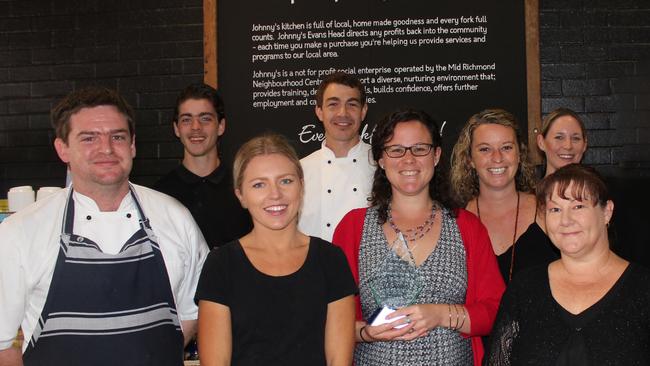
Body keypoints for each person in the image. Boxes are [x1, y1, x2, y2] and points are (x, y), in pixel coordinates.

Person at [0, 87, 208, 365]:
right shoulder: (21, 231)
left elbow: (191, 313)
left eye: (118, 137)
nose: (107, 149)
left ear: (132, 145)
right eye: (89, 138)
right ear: (63, 149)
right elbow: (3, 345)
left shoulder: (175, 218)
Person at [333, 109, 505, 366]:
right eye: (396, 150)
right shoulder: (353, 227)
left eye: (420, 149)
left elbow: (496, 310)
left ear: (436, 156)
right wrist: (365, 333)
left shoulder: (467, 227)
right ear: (381, 159)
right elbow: (333, 321)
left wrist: (440, 314)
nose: (409, 159)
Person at [195, 134, 357, 366]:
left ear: (302, 186)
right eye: (259, 184)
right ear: (240, 195)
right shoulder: (221, 265)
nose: (275, 194)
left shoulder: (330, 260)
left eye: (286, 181)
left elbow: (338, 360)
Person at [485, 164, 650, 365]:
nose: (565, 220)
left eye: (578, 206)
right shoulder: (524, 288)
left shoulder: (642, 289)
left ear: (606, 212)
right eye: (555, 209)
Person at [450, 109, 558, 283]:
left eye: (506, 147)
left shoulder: (549, 211)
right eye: (485, 149)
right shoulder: (453, 222)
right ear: (469, 159)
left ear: (520, 155)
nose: (497, 158)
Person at [154, 83, 252, 250]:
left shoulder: (245, 188)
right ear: (176, 129)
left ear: (221, 126)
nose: (196, 127)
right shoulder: (159, 195)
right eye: (186, 119)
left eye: (205, 118)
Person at [299, 72, 375, 241]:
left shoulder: (383, 166)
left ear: (363, 111)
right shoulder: (298, 171)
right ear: (319, 112)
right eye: (333, 104)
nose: (343, 113)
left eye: (352, 105)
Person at [536, 107, 587, 177]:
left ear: (584, 145)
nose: (568, 146)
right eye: (559, 137)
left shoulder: (597, 187)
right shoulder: (532, 188)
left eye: (575, 138)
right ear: (541, 143)